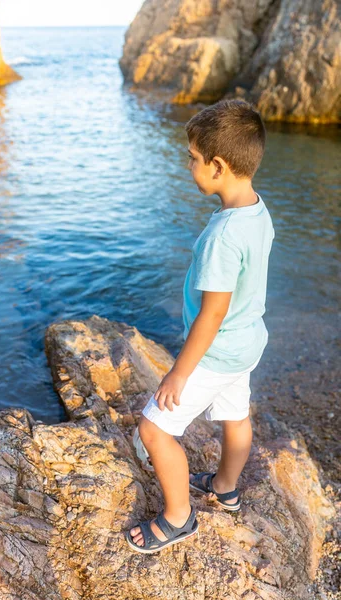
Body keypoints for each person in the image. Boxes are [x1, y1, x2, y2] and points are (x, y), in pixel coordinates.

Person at [125, 99, 275, 554]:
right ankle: (226, 488)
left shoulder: (222, 236)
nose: (188, 164)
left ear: (217, 166)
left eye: (192, 158)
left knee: (154, 430)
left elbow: (212, 315)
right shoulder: (257, 211)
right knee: (235, 416)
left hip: (215, 352)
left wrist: (178, 373)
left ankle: (179, 517)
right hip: (247, 344)